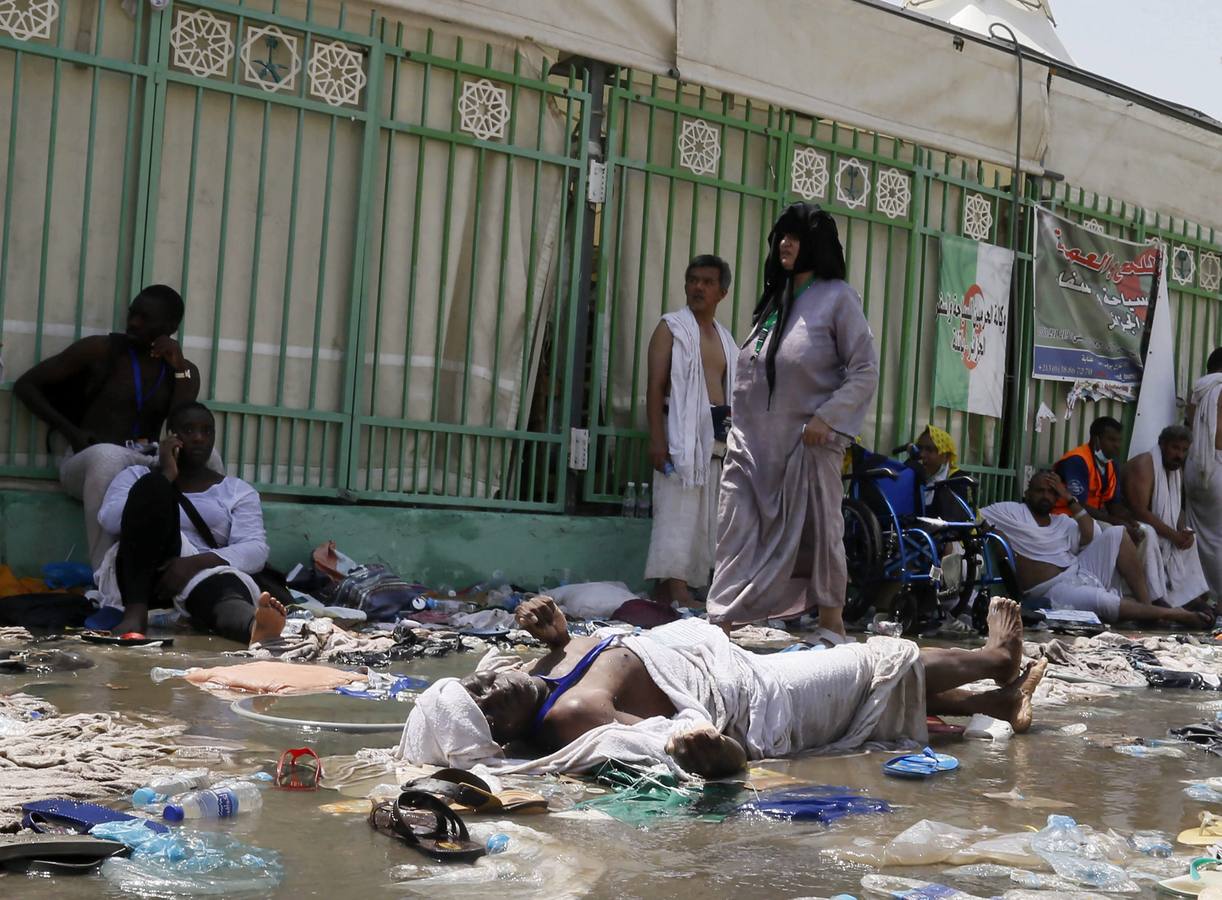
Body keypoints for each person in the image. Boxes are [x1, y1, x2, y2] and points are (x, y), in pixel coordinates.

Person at [399, 594, 1046, 779]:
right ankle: (994, 658)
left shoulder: (538, 675)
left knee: (860, 686)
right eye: (484, 707)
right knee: (873, 665)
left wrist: (562, 636)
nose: (490, 686)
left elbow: (605, 660)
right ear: (502, 737)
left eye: (473, 685)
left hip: (734, 665)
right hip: (757, 700)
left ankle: (996, 700)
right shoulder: (571, 717)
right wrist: (709, 750)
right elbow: (669, 740)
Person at [706, 202, 878, 640]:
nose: (785, 243)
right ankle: (721, 621)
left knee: (821, 532)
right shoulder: (775, 300)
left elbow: (865, 369)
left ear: (815, 246)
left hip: (808, 444)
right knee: (735, 525)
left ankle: (831, 621)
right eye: (782, 234)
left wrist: (828, 417)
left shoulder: (838, 297)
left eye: (796, 236)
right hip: (751, 446)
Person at [14, 285, 206, 569]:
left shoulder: (183, 371)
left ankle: (203, 563)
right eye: (132, 314)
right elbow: (25, 386)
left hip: (146, 463)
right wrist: (72, 432)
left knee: (207, 457)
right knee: (108, 456)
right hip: (90, 460)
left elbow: (182, 426)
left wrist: (178, 367)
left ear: (170, 327)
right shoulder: (101, 350)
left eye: (145, 318)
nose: (134, 322)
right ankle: (105, 578)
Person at [92, 402, 286, 644]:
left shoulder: (236, 491)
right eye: (188, 430)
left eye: (206, 431)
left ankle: (254, 627)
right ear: (171, 436)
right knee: (151, 488)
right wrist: (165, 478)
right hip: (141, 575)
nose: (198, 438)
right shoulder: (135, 476)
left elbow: (255, 549)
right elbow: (110, 520)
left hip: (202, 573)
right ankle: (135, 614)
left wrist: (193, 564)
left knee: (223, 592)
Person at [983, 471, 1212, 627]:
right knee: (1101, 600)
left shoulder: (1062, 521)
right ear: (1027, 493)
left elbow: (1090, 536)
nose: (1046, 496)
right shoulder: (1009, 512)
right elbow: (976, 517)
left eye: (1052, 492)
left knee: (1116, 533)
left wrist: (1069, 499)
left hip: (1077, 571)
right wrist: (996, 536)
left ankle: (1146, 607)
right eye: (1040, 491)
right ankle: (1174, 615)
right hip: (1052, 590)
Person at [644, 254, 738, 607]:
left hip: (713, 437)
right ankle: (677, 591)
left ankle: (679, 589)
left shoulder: (726, 339)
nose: (698, 287)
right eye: (693, 280)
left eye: (707, 282)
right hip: (678, 436)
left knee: (705, 516)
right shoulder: (670, 328)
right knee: (677, 513)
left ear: (722, 293)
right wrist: (657, 439)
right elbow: (654, 386)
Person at [1053, 416, 1163, 603]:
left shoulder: (1111, 464)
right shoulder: (1077, 461)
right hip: (1070, 519)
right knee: (1116, 534)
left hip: (1096, 518)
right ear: (1096, 439)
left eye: (1119, 440)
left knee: (1146, 532)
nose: (1117, 445)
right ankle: (1118, 597)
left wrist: (1129, 521)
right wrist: (1116, 522)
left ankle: (1153, 595)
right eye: (1111, 440)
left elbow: (1114, 503)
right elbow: (1077, 504)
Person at [1123, 425, 1211, 609]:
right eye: (1175, 448)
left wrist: (1180, 530)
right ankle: (1156, 598)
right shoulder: (1144, 464)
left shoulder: (1175, 469)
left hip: (1158, 527)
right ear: (1162, 445)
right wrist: (1173, 535)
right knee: (1149, 534)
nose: (1179, 455)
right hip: (1131, 525)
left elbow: (1177, 508)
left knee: (1189, 535)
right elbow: (1139, 510)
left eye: (1184, 450)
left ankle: (1188, 595)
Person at [1186, 348, 1222, 600]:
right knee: (1219, 539)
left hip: (1193, 468)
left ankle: (1200, 593)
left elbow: (1189, 426)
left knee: (1198, 536)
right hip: (1217, 466)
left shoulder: (1197, 391)